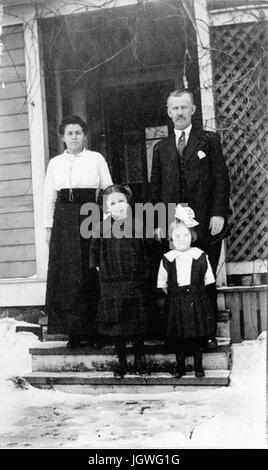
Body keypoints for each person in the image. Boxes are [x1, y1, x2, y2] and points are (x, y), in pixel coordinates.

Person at [150, 89, 230, 348]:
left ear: (194, 110)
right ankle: (178, 337)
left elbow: (221, 179)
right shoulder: (160, 147)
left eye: (184, 107)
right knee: (176, 279)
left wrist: (218, 213)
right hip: (174, 226)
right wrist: (159, 221)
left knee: (203, 276)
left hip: (205, 222)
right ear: (168, 111)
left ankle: (207, 335)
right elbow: (155, 188)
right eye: (175, 108)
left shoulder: (208, 140)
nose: (180, 112)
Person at [44, 115, 112, 348]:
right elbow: (49, 198)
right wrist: (48, 227)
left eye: (78, 132)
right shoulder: (55, 163)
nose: (74, 137)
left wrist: (106, 222)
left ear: (85, 135)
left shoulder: (96, 159)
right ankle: (73, 330)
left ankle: (96, 330)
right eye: (69, 133)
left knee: (90, 269)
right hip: (63, 220)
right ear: (63, 137)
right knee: (68, 275)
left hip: (89, 214)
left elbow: (107, 191)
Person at [89, 184, 150, 378]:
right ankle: (122, 361)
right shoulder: (101, 228)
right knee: (118, 325)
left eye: (121, 201)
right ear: (106, 208)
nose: (118, 206)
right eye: (112, 203)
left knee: (137, 323)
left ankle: (140, 359)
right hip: (112, 282)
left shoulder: (138, 224)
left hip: (134, 281)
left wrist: (144, 273)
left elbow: (147, 251)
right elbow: (95, 253)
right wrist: (102, 271)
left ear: (128, 203)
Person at [157, 205, 216, 378]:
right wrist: (176, 296)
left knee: (197, 336)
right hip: (176, 302)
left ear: (192, 236)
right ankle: (180, 366)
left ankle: (198, 366)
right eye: (177, 236)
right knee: (178, 337)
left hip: (196, 301)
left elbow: (208, 281)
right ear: (171, 238)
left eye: (185, 235)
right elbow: (163, 284)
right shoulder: (168, 259)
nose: (181, 239)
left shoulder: (200, 256)